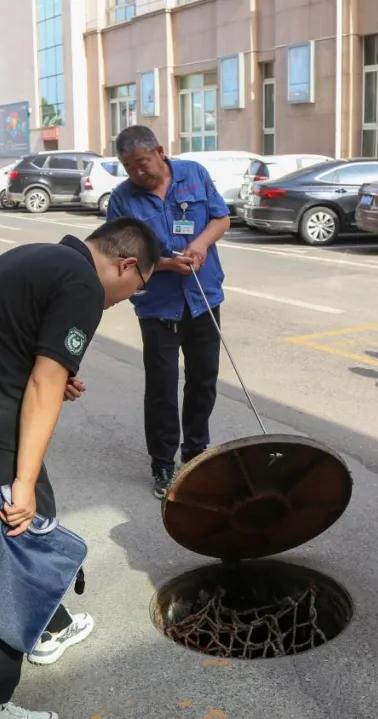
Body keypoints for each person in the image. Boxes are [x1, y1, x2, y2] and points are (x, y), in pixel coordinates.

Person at [0, 218, 161, 719]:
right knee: (22, 562)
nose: (127, 300)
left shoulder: (35, 256)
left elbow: (13, 344)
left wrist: (53, 373)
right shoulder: (83, 285)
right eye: (136, 288)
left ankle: (49, 625)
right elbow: (44, 382)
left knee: (27, 543)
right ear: (126, 265)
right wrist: (24, 484)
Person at [106, 125, 231, 500]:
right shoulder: (123, 199)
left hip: (203, 298)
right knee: (161, 388)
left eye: (142, 162)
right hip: (157, 306)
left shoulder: (194, 174)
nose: (137, 172)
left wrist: (200, 244)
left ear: (160, 151)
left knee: (203, 381)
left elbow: (221, 218)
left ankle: (196, 453)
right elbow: (118, 256)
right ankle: (162, 463)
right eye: (129, 167)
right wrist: (162, 264)